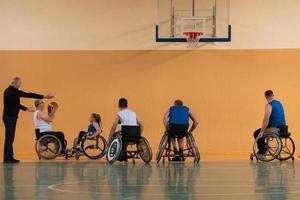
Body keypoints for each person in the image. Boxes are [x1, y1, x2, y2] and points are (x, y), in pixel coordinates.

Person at [2, 77, 54, 163]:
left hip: (8, 117)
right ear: (15, 83)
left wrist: (26, 109)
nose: (20, 85)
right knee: (9, 137)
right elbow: (28, 94)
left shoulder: (8, 91)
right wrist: (44, 96)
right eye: (19, 83)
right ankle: (8, 158)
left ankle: (8, 157)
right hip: (10, 118)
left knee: (9, 137)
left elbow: (15, 104)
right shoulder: (13, 91)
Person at [253, 90, 286, 156]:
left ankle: (262, 150)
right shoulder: (279, 103)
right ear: (273, 95)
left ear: (266, 96)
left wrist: (262, 132)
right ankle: (264, 148)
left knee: (257, 133)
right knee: (263, 131)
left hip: (274, 128)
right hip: (283, 128)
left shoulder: (269, 105)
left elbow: (266, 120)